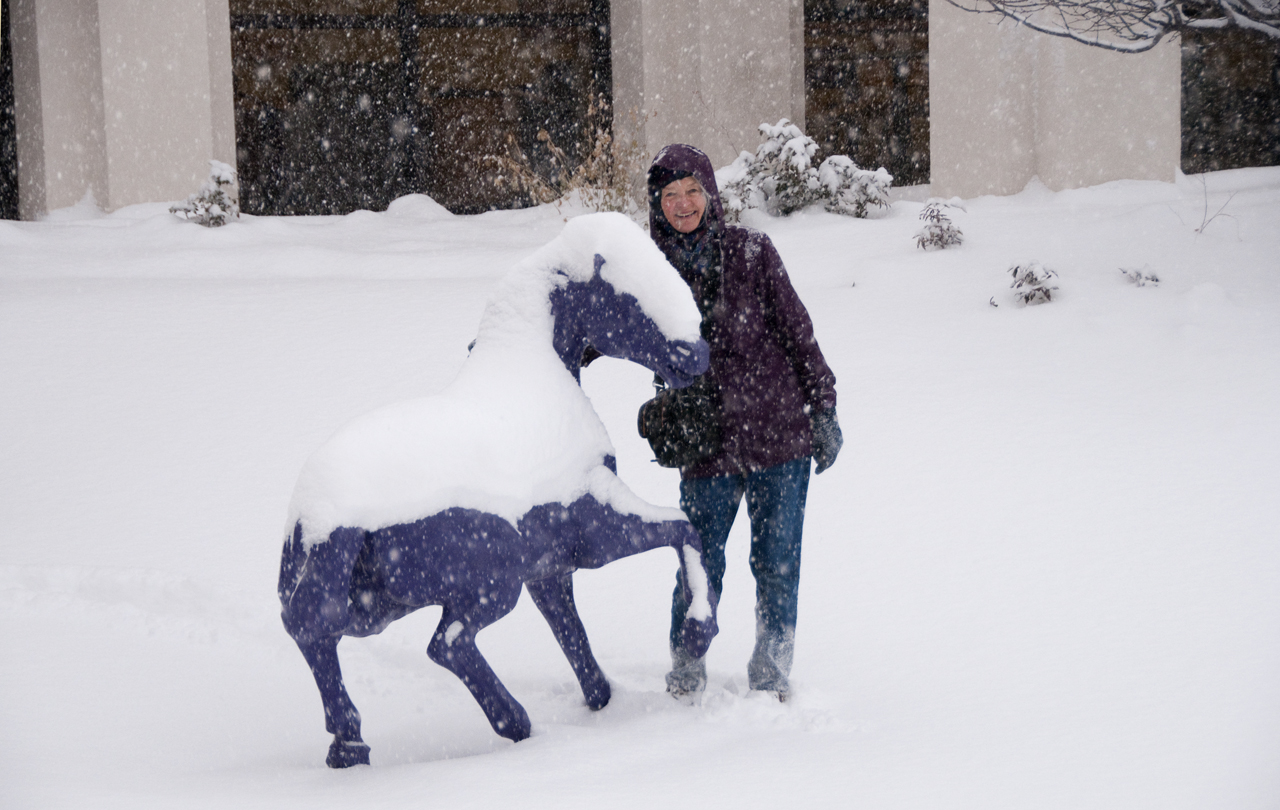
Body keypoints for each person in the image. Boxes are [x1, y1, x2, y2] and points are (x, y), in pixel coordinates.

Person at [646, 143, 843, 701]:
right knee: (698, 563)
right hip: (704, 441)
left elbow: (797, 331)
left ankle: (772, 672)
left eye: (692, 192)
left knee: (777, 563)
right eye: (670, 196)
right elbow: (607, 326)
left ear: (710, 195)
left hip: (779, 435)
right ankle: (686, 667)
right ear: (656, 203)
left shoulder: (753, 252)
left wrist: (823, 407)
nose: (683, 205)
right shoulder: (650, 270)